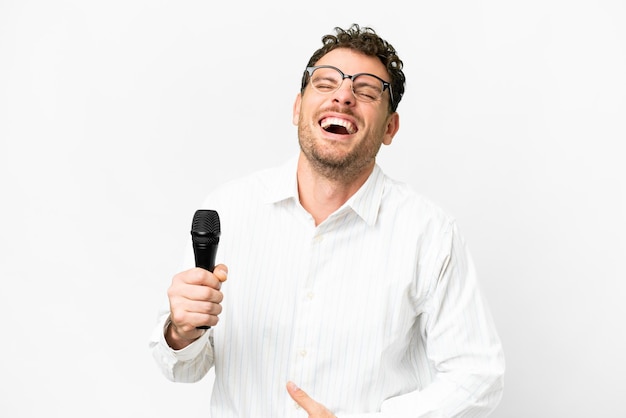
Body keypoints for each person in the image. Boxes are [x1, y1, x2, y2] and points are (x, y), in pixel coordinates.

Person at [149, 24, 505, 417]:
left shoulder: (428, 232)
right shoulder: (229, 209)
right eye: (326, 83)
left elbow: (478, 375)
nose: (343, 95)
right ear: (297, 108)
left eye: (367, 91)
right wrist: (181, 332)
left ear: (390, 128)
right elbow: (182, 367)